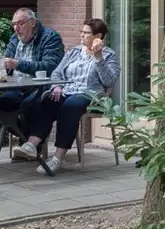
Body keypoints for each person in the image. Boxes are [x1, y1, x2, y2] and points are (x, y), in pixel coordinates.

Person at [13, 17, 118, 173]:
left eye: (86, 33)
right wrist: (56, 86)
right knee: (44, 100)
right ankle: (32, 144)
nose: (81, 35)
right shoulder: (74, 52)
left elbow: (109, 81)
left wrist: (98, 58)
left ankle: (58, 158)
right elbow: (57, 72)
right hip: (67, 90)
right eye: (81, 32)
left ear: (98, 37)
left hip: (91, 95)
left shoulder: (108, 55)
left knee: (69, 107)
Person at [0, 8, 65, 111]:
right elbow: (6, 63)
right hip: (15, 89)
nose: (16, 29)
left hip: (39, 89)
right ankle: (14, 127)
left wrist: (17, 64)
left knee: (28, 108)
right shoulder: (14, 38)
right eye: (14, 24)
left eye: (20, 23)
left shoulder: (50, 37)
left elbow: (50, 67)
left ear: (33, 23)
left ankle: (17, 127)